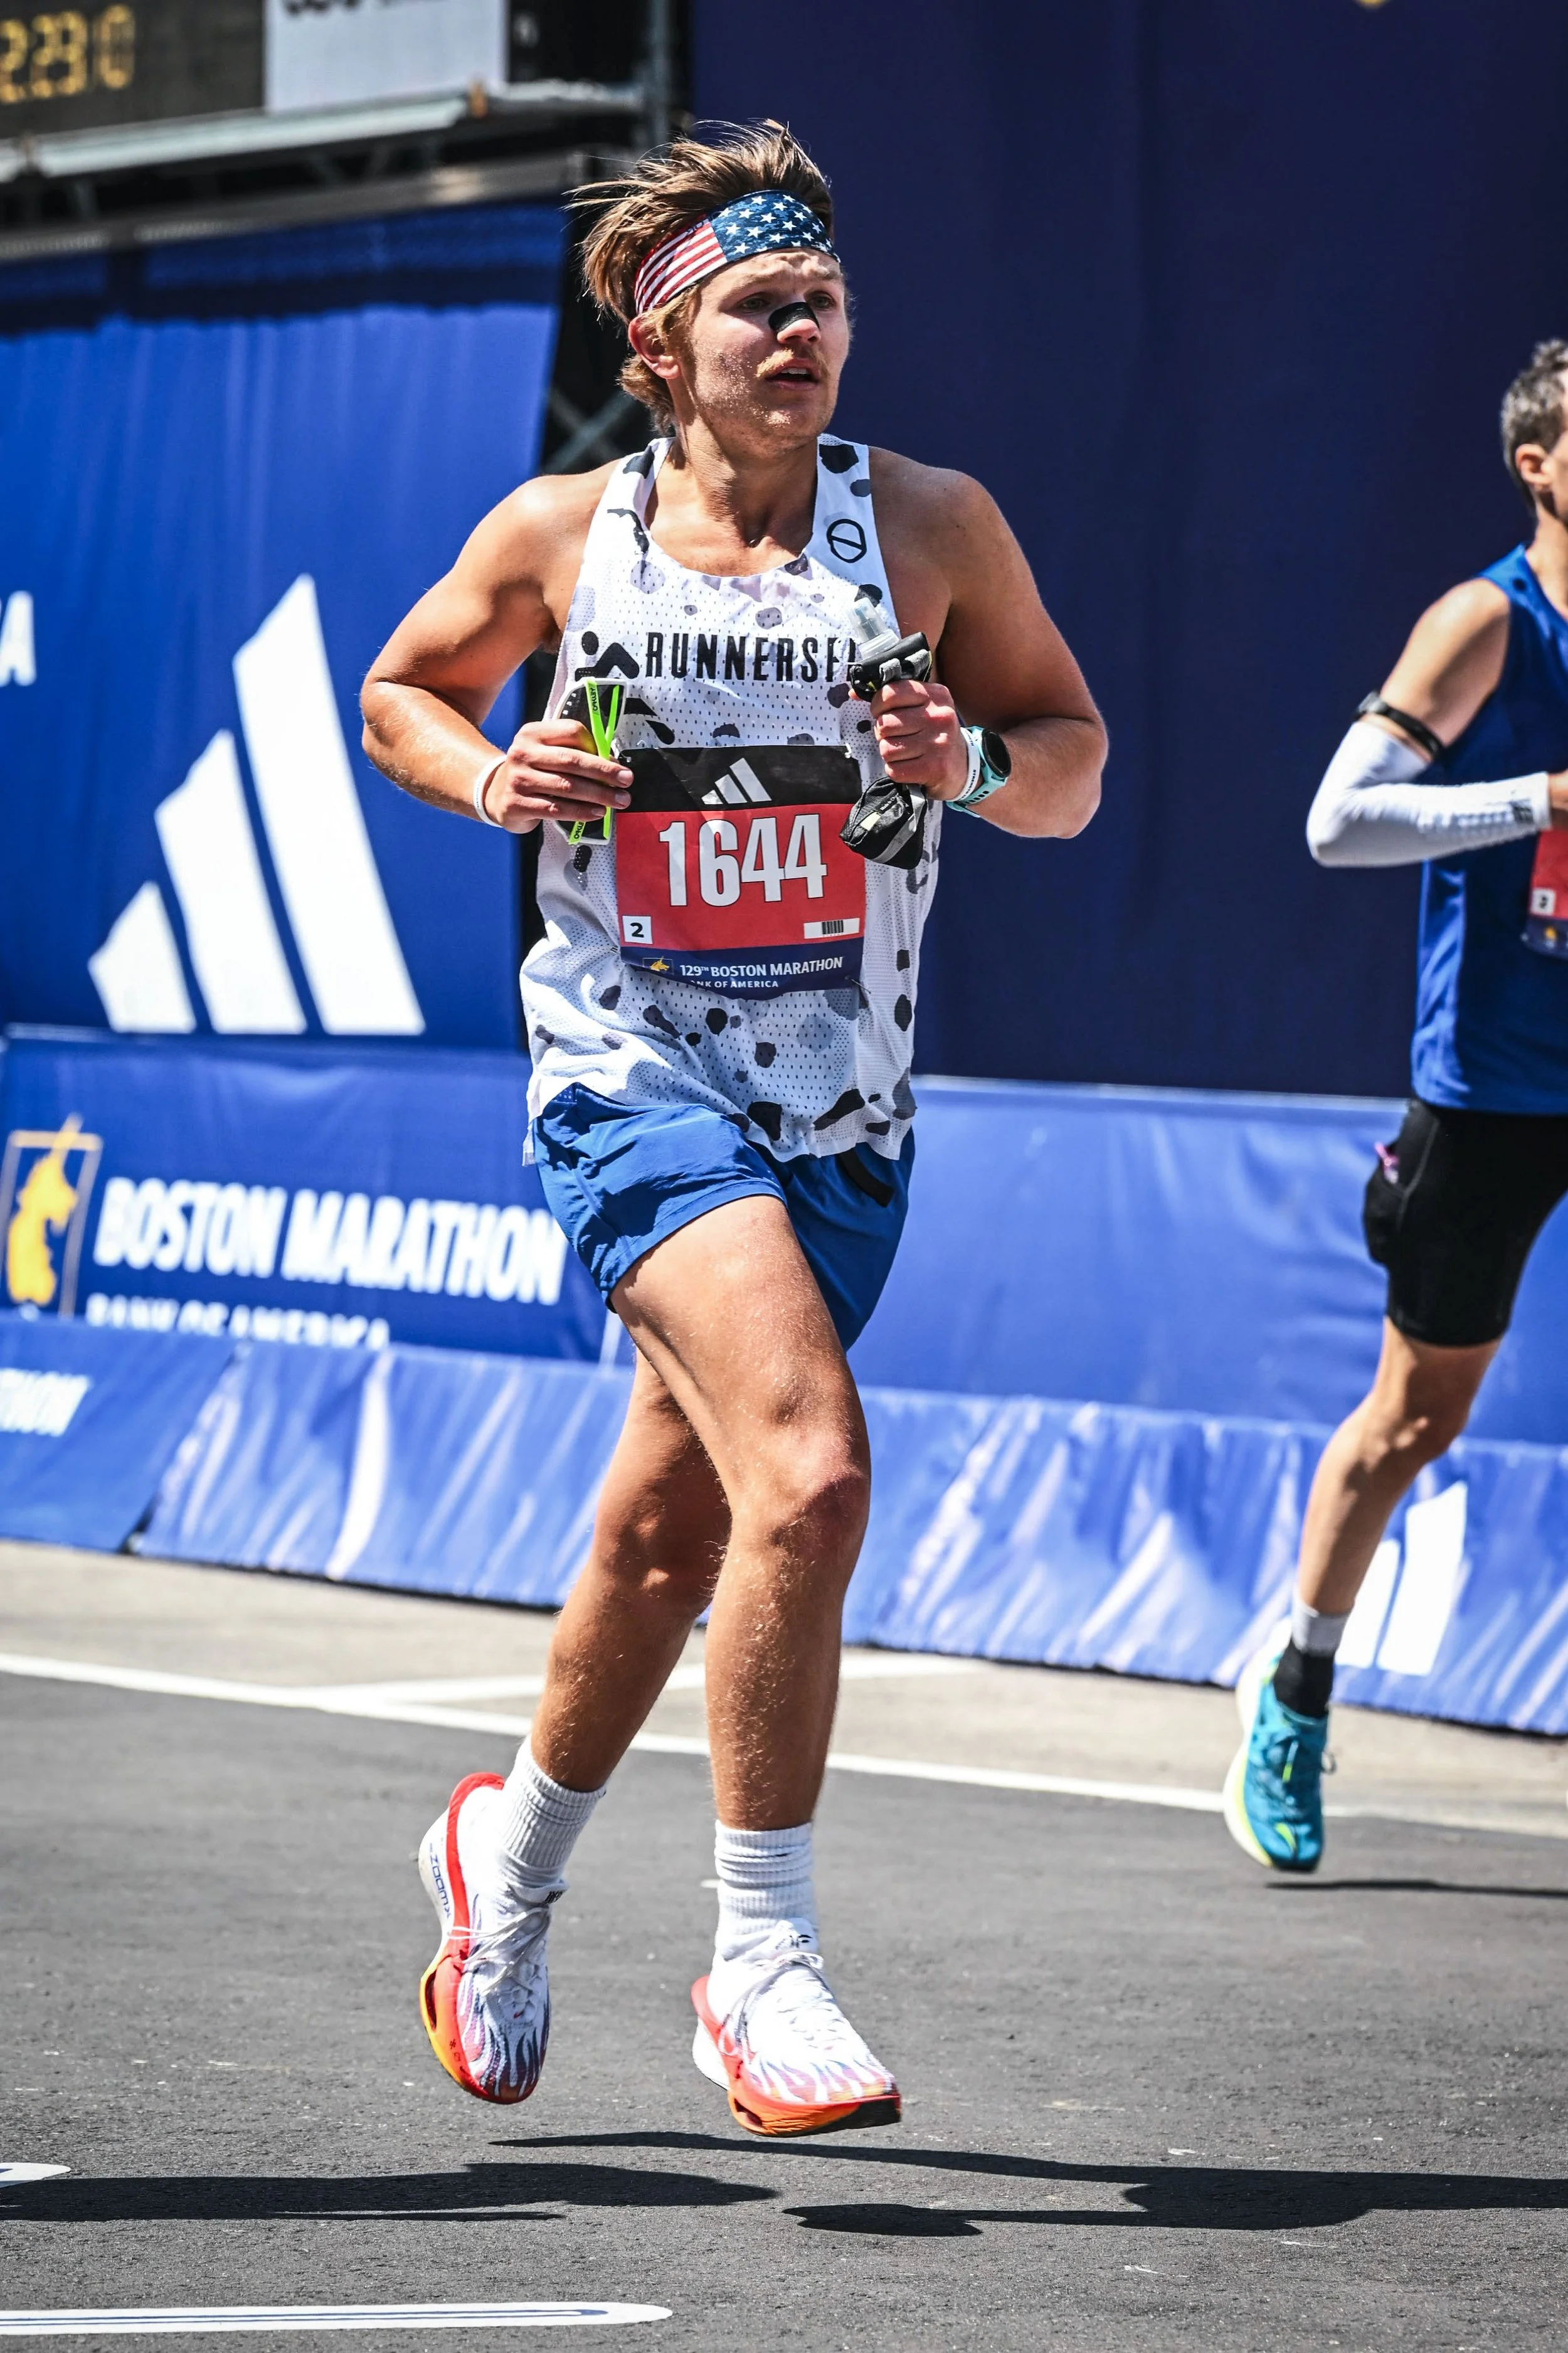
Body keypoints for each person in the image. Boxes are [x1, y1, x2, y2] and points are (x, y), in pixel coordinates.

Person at [362, 124, 1105, 2133]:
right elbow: (399, 692)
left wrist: (973, 762)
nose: (803, 334)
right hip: (631, 1069)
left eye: (824, 301)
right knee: (812, 1469)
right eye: (760, 306)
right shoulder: (565, 535)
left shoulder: (928, 525)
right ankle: (759, 1957)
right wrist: (492, 773)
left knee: (667, 1531)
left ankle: (501, 1868)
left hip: (840, 1115)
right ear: (660, 347)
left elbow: (1071, 764)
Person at [1225, 339, 1568, 1874]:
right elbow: (1334, 823)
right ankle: (1295, 1691)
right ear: (1535, 466)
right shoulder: (1486, 623)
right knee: (1412, 1420)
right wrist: (1538, 799)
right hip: (1493, 1092)